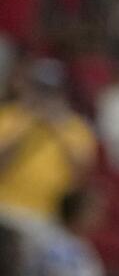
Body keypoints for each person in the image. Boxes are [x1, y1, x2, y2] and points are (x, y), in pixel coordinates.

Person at [0, 58, 96, 223]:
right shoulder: (8, 116)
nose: (43, 97)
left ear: (62, 94)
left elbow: (79, 175)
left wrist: (57, 127)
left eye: (50, 92)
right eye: (39, 89)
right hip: (4, 205)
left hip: (46, 214)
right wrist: (26, 123)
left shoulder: (77, 128)